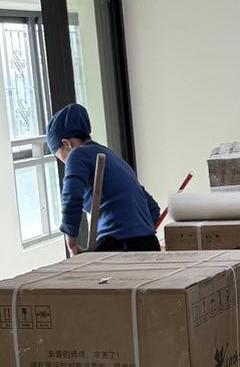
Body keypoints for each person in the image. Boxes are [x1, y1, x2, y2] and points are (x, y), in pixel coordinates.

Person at [45, 103, 162, 255]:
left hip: (118, 245)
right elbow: (153, 209)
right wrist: (139, 233)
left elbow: (71, 197)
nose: (65, 163)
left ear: (66, 144)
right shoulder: (112, 157)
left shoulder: (77, 154)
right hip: (149, 243)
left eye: (60, 157)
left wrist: (71, 243)